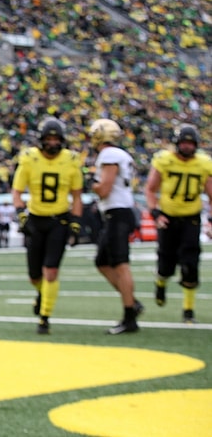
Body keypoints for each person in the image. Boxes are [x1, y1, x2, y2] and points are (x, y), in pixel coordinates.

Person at [11, 117, 84, 334]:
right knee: (35, 276)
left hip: (59, 220)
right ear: (42, 140)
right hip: (35, 219)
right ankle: (43, 294)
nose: (53, 143)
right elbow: (17, 192)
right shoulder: (28, 158)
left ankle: (44, 317)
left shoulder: (71, 160)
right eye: (49, 139)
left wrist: (76, 222)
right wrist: (20, 213)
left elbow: (77, 195)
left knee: (51, 271)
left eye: (56, 139)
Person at [144, 123, 212, 324]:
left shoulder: (203, 163)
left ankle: (188, 311)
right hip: (168, 217)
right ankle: (160, 283)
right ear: (177, 143)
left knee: (191, 264)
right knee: (166, 265)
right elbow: (150, 190)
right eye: (184, 142)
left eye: (191, 143)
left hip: (191, 218)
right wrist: (156, 213)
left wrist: (210, 221)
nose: (188, 147)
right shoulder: (164, 160)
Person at [89, 118, 143, 335]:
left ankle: (130, 317)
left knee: (120, 264)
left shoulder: (109, 155)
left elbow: (104, 190)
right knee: (102, 262)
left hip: (118, 213)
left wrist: (89, 183)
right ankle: (133, 302)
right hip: (118, 212)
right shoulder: (120, 154)